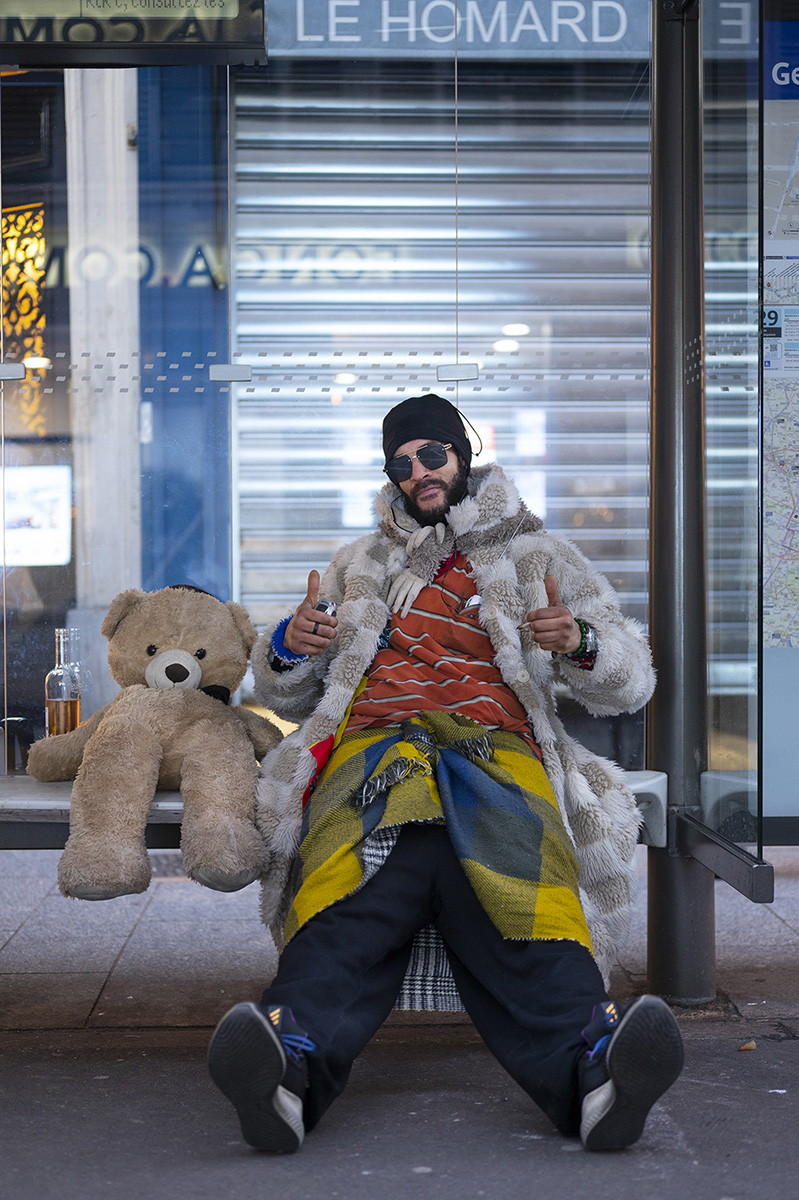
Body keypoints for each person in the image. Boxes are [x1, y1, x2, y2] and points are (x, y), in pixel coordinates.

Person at [207, 394, 683, 1154]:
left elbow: (631, 682)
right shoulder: (358, 563)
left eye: (432, 455)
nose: (418, 473)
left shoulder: (540, 555)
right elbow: (287, 695)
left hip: (496, 752)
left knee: (511, 888)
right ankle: (585, 1071)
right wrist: (291, 646)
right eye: (401, 464)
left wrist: (580, 641)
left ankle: (294, 1067)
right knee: (357, 890)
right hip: (375, 751)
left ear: (464, 453)